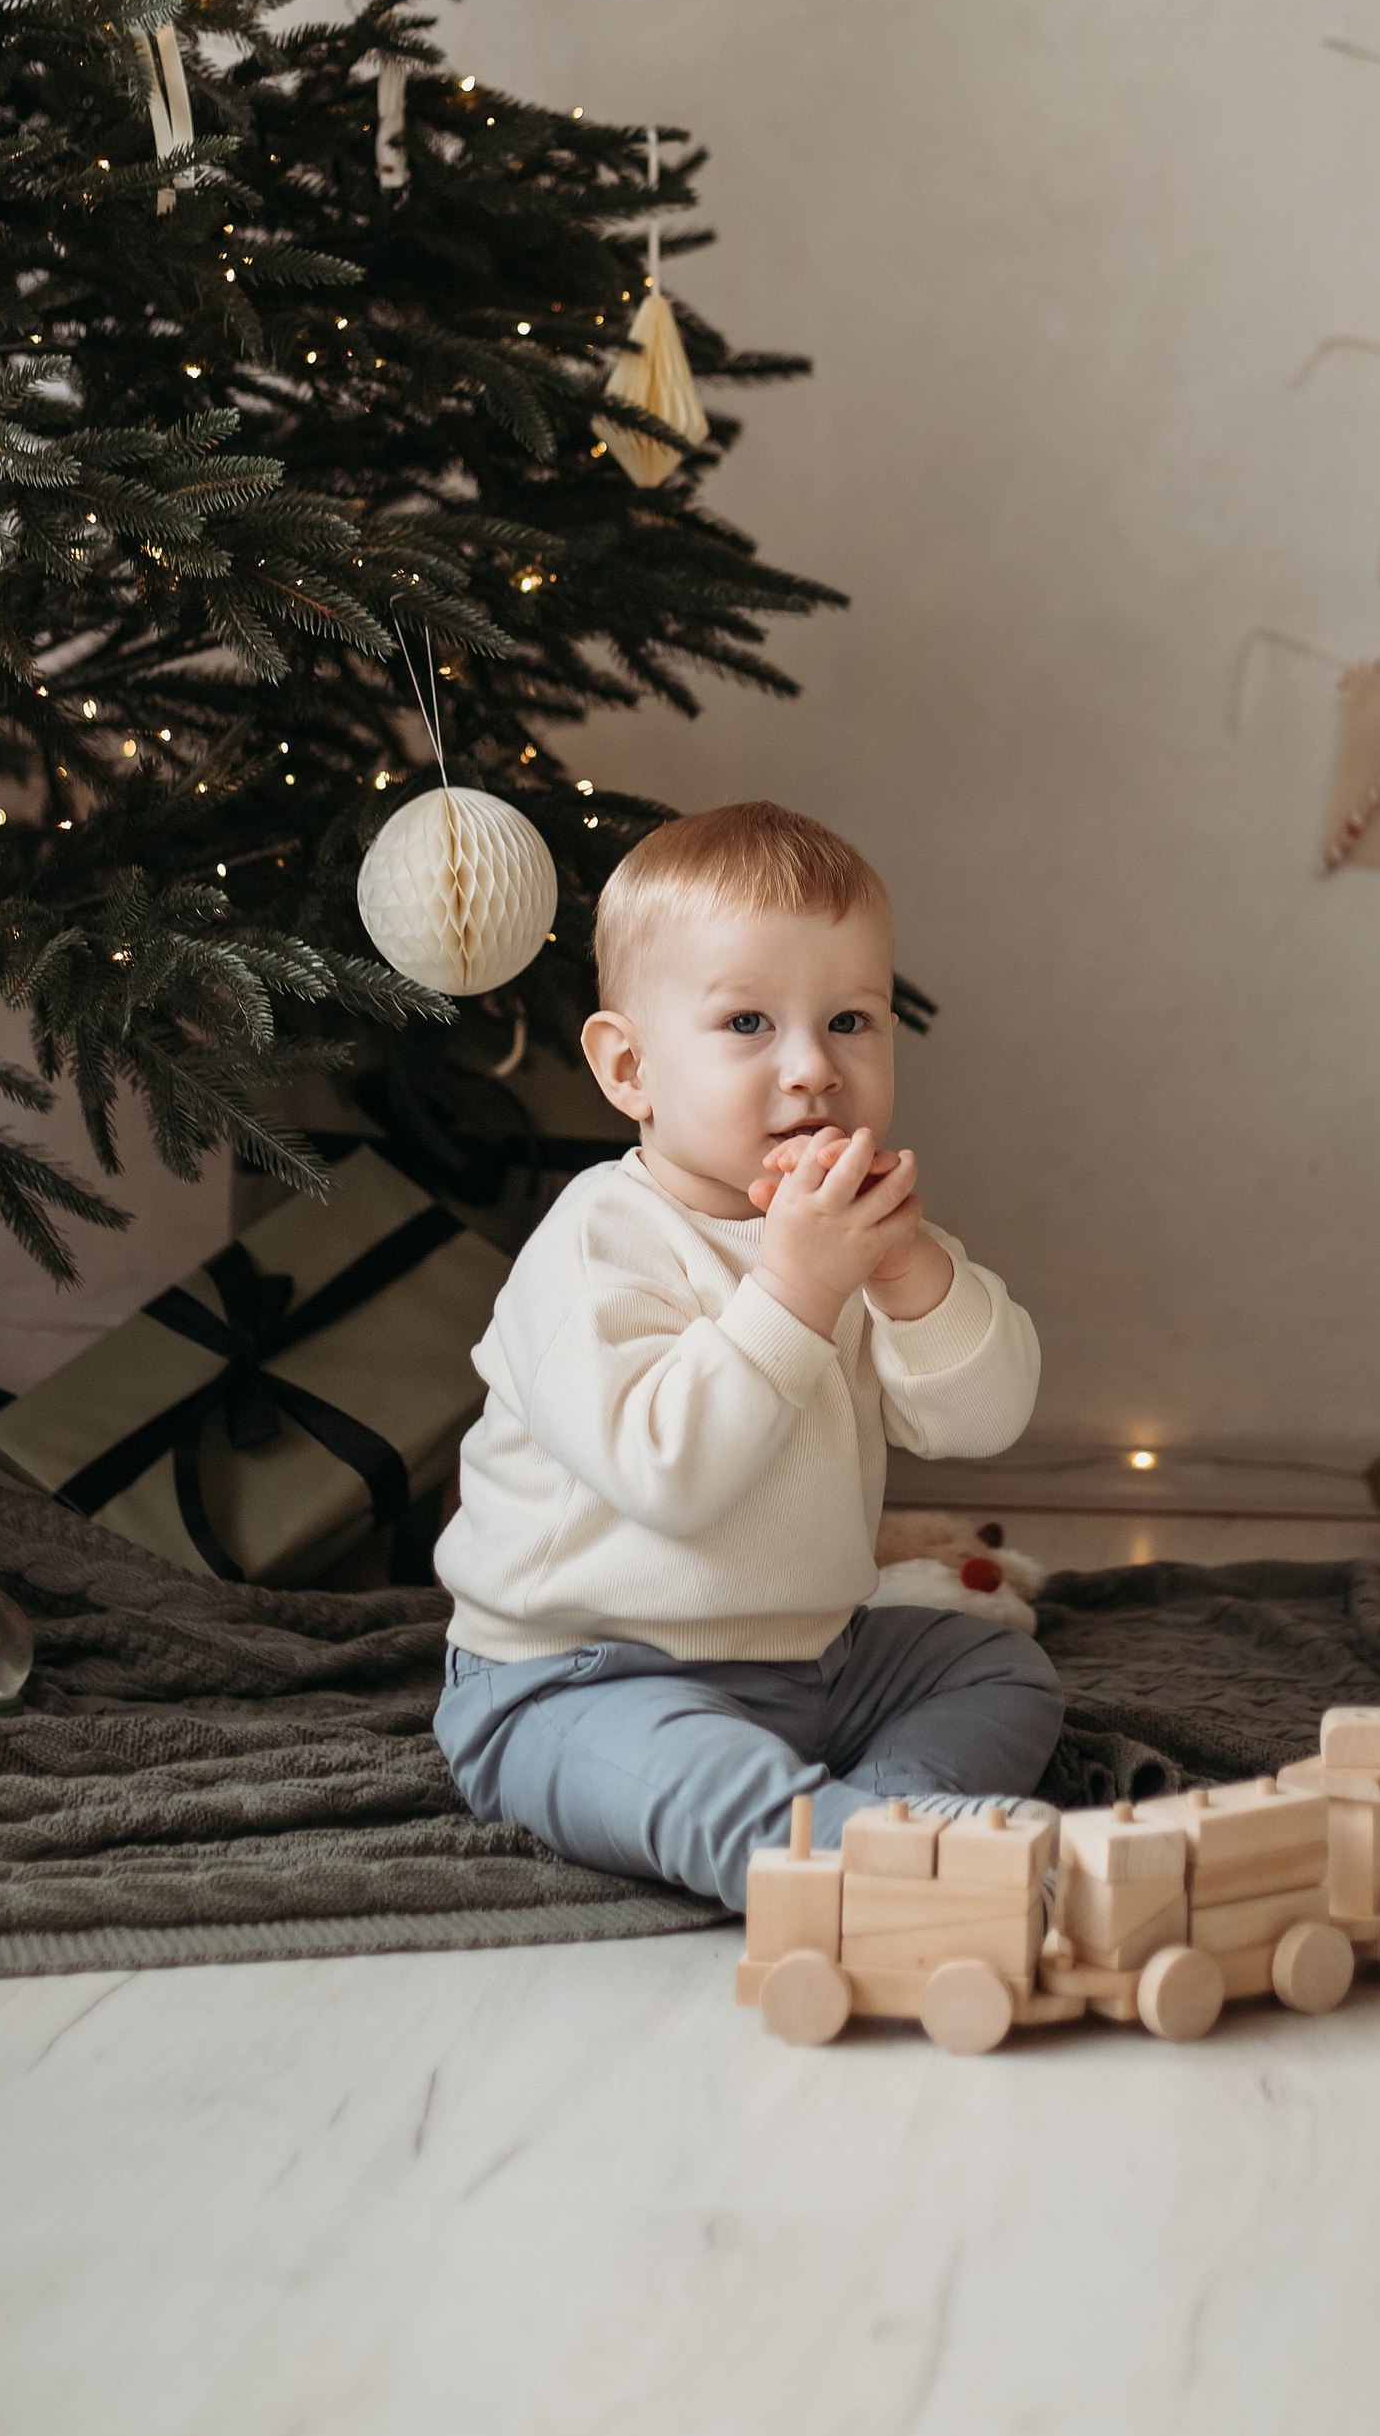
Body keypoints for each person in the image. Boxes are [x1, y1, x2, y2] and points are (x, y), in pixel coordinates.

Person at [434, 800, 1060, 1909]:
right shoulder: (596, 1245)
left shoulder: (853, 1236)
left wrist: (912, 1278)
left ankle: (889, 1819)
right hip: (577, 1679)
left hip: (814, 1661)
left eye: (852, 1022)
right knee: (692, 1777)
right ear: (629, 1069)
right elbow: (665, 1477)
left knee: (995, 1667)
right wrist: (798, 1287)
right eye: (747, 1025)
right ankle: (854, 1853)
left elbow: (982, 1420)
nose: (814, 1069)